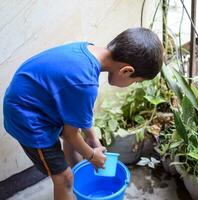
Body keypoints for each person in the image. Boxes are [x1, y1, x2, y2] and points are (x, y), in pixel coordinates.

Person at [3, 27, 163, 200]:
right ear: (126, 71)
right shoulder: (85, 84)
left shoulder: (88, 51)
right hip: (28, 118)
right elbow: (69, 134)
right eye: (136, 82)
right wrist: (91, 155)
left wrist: (92, 138)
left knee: (76, 147)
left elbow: (75, 118)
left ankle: (78, 181)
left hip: (36, 101)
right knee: (64, 179)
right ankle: (69, 181)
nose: (133, 84)